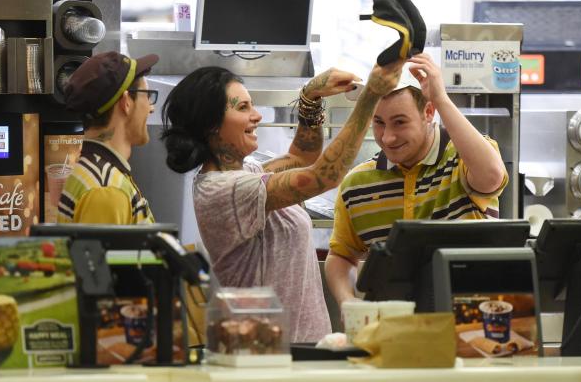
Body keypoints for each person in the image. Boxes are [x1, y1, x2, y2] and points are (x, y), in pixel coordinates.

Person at [161, 61, 404, 343]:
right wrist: (369, 97)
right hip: (272, 354)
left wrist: (310, 97)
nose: (256, 116)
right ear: (211, 125)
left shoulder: (245, 171)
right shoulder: (225, 189)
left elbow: (302, 157)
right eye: (242, 108)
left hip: (298, 349)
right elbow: (324, 175)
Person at [324, 53, 509, 306]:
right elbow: (342, 257)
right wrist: (347, 301)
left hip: (473, 327)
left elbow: (491, 176)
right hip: (393, 330)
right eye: (378, 123)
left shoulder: (461, 159)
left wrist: (441, 98)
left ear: (429, 112)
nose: (388, 137)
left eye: (400, 122)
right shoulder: (357, 184)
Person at [57, 51, 160, 225]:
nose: (151, 108)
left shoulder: (96, 172)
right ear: (126, 102)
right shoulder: (106, 191)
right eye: (147, 96)